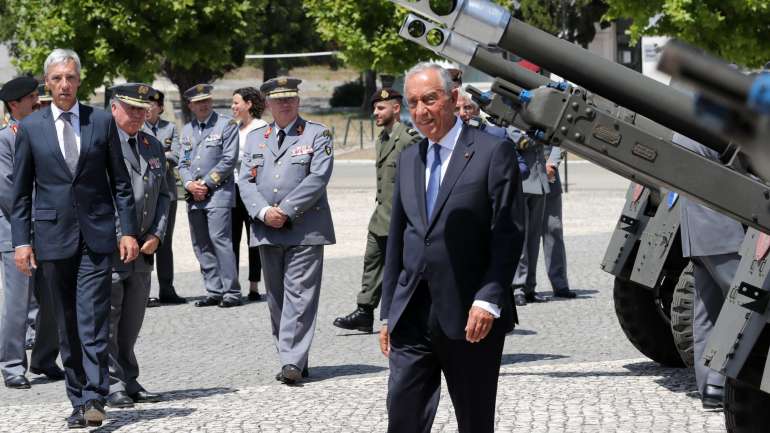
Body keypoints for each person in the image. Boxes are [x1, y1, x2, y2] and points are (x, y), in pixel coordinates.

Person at [379, 63, 525, 433]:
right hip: (411, 313)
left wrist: (489, 297)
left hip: (469, 314)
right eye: (413, 103)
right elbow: (400, 237)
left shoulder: (493, 152)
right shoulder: (410, 157)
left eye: (430, 99)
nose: (422, 110)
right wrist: (387, 313)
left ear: (454, 98)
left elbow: (508, 232)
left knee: (474, 422)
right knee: (403, 418)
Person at [11, 48, 139, 429]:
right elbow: (19, 193)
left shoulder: (100, 122)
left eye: (70, 77)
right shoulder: (31, 128)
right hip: (52, 238)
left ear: (79, 80)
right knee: (66, 324)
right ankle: (77, 397)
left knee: (93, 318)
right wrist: (22, 242)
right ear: (46, 84)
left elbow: (120, 182)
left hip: (97, 237)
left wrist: (128, 229)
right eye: (57, 79)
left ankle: (95, 397)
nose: (64, 84)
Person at [238, 77, 335, 384]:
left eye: (290, 98)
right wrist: (265, 212)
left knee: (300, 296)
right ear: (267, 104)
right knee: (277, 299)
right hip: (267, 229)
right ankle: (292, 354)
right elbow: (245, 181)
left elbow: (318, 177)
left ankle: (291, 361)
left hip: (305, 229)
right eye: (279, 100)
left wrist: (287, 210)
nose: (285, 104)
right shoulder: (256, 138)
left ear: (298, 101)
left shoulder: (317, 134)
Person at [333, 88, 420, 333]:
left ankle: (405, 313)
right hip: (382, 216)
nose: (375, 113)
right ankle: (364, 312)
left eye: (380, 108)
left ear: (396, 108)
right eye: (374, 108)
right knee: (372, 261)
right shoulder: (382, 139)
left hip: (401, 219)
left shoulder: (409, 139)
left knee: (402, 269)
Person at [105, 84, 170, 409]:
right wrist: (121, 234)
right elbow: (98, 199)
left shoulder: (152, 145)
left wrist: (156, 234)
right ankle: (112, 383)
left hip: (144, 251)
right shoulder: (100, 144)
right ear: (114, 108)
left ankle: (129, 379)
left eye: (142, 110)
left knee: (132, 321)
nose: (138, 115)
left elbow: (165, 195)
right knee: (109, 320)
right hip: (112, 248)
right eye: (131, 109)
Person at [0, 76, 62, 389]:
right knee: (17, 303)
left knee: (51, 299)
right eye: (32, 97)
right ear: (14, 104)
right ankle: (12, 366)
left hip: (47, 228)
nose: (38, 101)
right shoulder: (4, 139)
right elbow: (11, 194)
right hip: (16, 233)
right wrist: (33, 228)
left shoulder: (42, 131)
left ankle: (44, 358)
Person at [675, 132, 744, 410]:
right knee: (748, 306)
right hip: (720, 232)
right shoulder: (713, 123)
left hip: (697, 234)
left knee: (706, 312)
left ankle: (711, 387)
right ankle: (728, 382)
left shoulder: (683, 125)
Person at [178, 83, 241, 308]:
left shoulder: (226, 125)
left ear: (211, 102)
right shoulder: (186, 130)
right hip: (194, 195)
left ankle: (231, 292)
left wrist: (205, 183)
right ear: (190, 105)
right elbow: (182, 162)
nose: (203, 105)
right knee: (201, 243)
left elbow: (228, 159)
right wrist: (188, 183)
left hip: (218, 192)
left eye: (206, 101)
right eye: (198, 102)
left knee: (220, 240)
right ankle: (214, 290)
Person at [143, 88, 186, 307]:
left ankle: (167, 289)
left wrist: (156, 156)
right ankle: (145, 292)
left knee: (165, 242)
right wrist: (163, 156)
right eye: (146, 105)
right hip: (144, 194)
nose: (148, 109)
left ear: (160, 108)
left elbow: (177, 155)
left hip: (167, 192)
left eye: (153, 105)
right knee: (146, 240)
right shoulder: (137, 128)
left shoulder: (169, 128)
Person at [231, 87, 267, 302]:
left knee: (254, 239)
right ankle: (233, 286)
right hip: (234, 189)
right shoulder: (235, 128)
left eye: (236, 103)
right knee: (232, 239)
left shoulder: (261, 127)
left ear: (249, 104)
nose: (233, 107)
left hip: (254, 188)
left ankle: (254, 285)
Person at [510, 130, 551, 306]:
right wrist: (542, 135)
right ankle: (517, 287)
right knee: (521, 240)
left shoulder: (537, 123)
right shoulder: (512, 120)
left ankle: (529, 287)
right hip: (523, 184)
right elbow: (520, 142)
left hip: (540, 183)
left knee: (534, 240)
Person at [541, 145, 576, 298]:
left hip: (550, 176)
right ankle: (522, 287)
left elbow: (561, 142)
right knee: (524, 234)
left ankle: (560, 283)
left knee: (553, 230)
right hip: (525, 176)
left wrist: (552, 164)